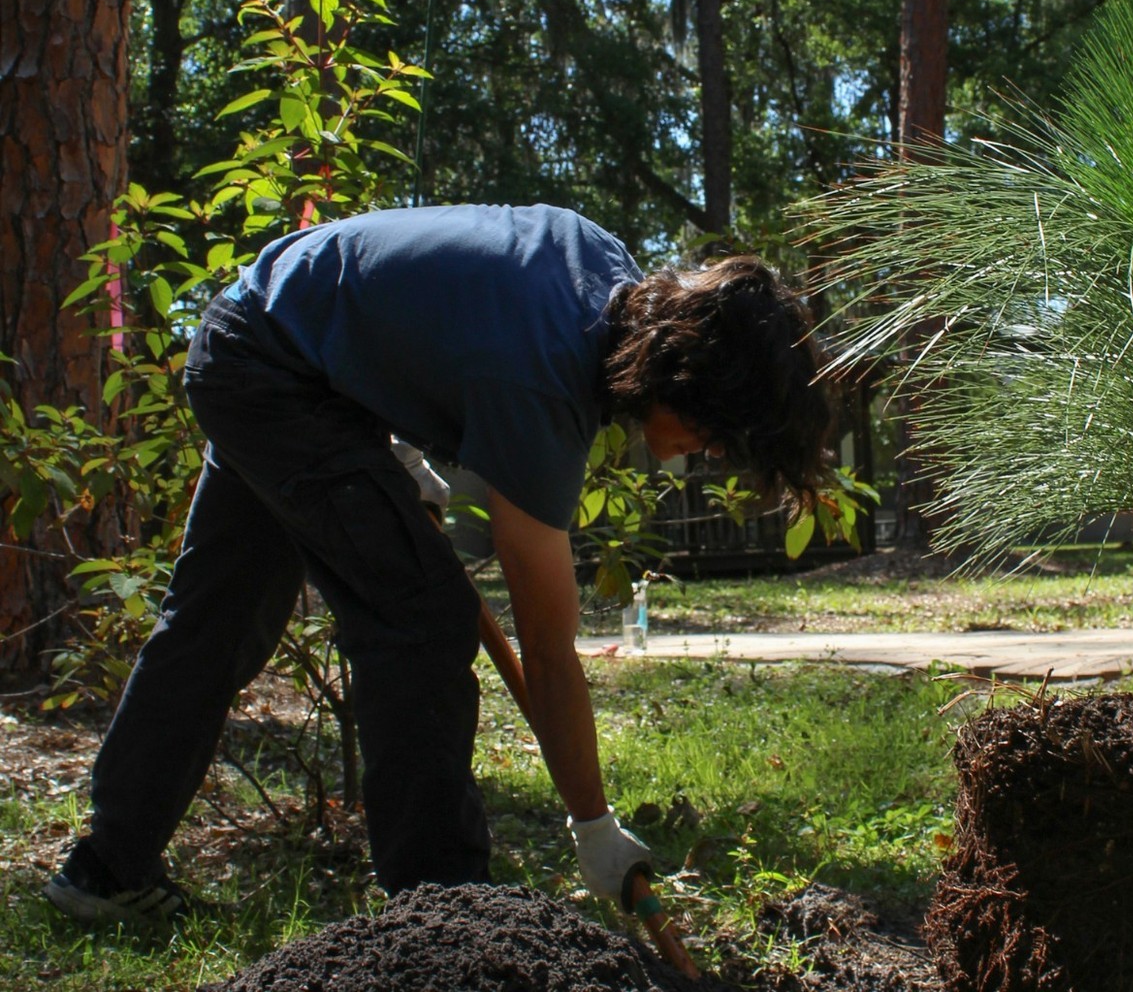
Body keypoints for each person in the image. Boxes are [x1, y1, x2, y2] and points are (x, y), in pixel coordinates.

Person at [43, 202, 831, 923]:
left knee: (215, 623)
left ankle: (105, 871)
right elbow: (550, 658)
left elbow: (435, 304)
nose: (715, 453)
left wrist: (396, 439)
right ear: (683, 376)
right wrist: (592, 825)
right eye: (720, 433)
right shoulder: (545, 384)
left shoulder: (601, 270)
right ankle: (443, 916)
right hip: (276, 372)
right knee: (421, 622)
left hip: (265, 332)